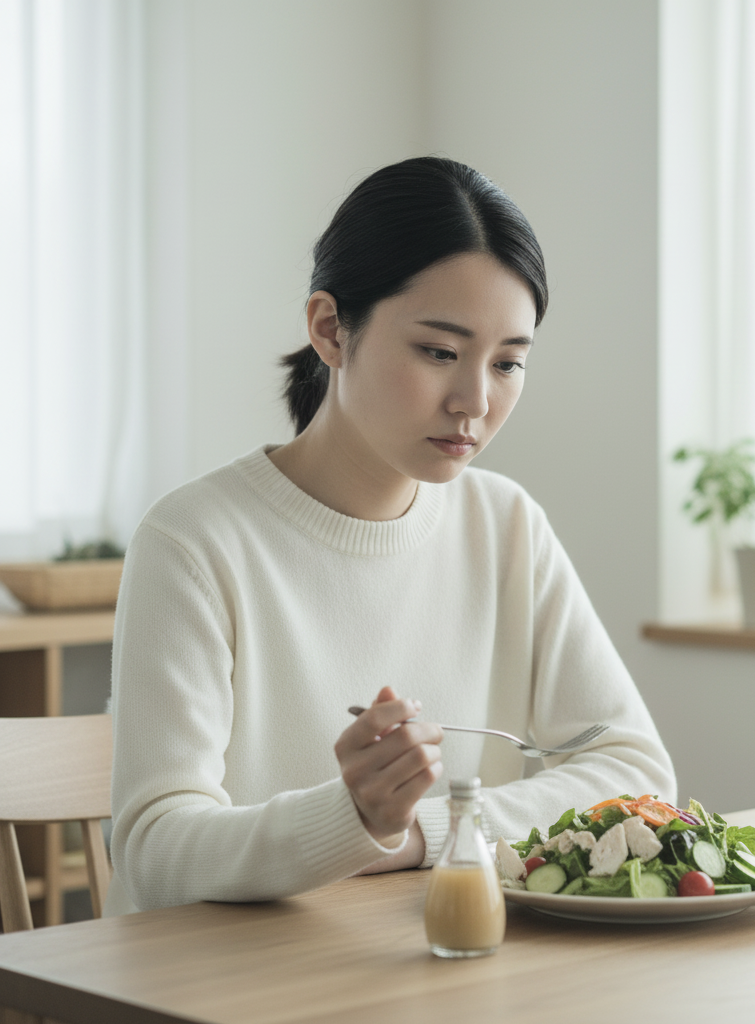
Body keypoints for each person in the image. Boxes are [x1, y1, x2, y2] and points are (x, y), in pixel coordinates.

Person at [106, 157, 675, 914]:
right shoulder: (194, 541)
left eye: (508, 363)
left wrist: (412, 833)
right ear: (330, 329)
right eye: (439, 352)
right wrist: (349, 818)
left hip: (432, 954)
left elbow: (634, 772)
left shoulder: (504, 524)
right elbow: (153, 851)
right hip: (229, 972)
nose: (474, 401)